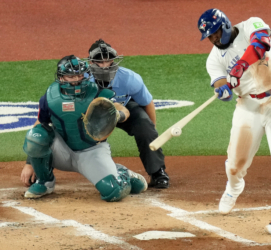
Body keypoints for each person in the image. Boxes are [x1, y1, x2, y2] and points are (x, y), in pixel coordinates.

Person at [198, 9, 271, 235]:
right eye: (209, 37)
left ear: (224, 25)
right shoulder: (213, 59)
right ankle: (234, 187)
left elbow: (261, 44)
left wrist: (241, 65)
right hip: (248, 106)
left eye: (215, 33)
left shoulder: (251, 24)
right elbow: (221, 83)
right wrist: (223, 90)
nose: (213, 39)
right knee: (234, 165)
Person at [21, 55, 147, 201]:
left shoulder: (97, 92)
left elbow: (122, 109)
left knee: (113, 192)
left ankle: (122, 173)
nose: (77, 79)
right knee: (36, 136)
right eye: (71, 76)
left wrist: (119, 115)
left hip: (91, 152)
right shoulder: (50, 97)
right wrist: (29, 164)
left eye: (80, 75)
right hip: (62, 150)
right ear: (61, 77)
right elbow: (40, 124)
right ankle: (45, 182)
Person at [86, 39, 170, 189]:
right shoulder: (83, 80)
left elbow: (147, 103)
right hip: (93, 113)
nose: (105, 65)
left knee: (146, 127)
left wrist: (152, 132)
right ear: (91, 62)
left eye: (108, 60)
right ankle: (44, 173)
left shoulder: (129, 78)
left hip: (125, 109)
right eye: (100, 61)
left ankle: (158, 172)